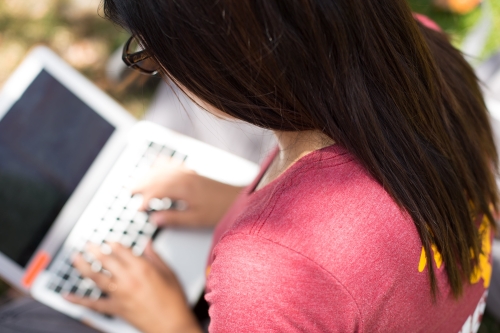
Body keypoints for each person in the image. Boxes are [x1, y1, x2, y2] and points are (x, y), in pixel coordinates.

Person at [0, 0, 497, 332]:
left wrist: (169, 321)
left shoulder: (269, 269)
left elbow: (308, 268)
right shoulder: (422, 52)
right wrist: (236, 200)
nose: (161, 69)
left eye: (151, 51)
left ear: (225, 60)